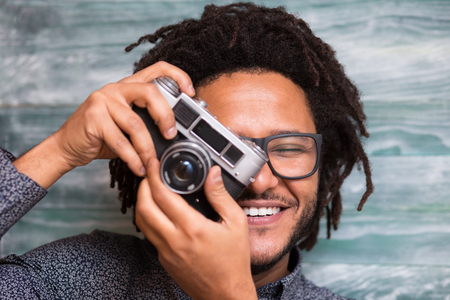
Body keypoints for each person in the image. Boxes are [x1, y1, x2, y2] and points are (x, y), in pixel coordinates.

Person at [0, 2, 374, 299]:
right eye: (228, 151)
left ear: (322, 167)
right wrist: (58, 152)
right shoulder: (79, 280)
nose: (258, 179)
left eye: (290, 148)